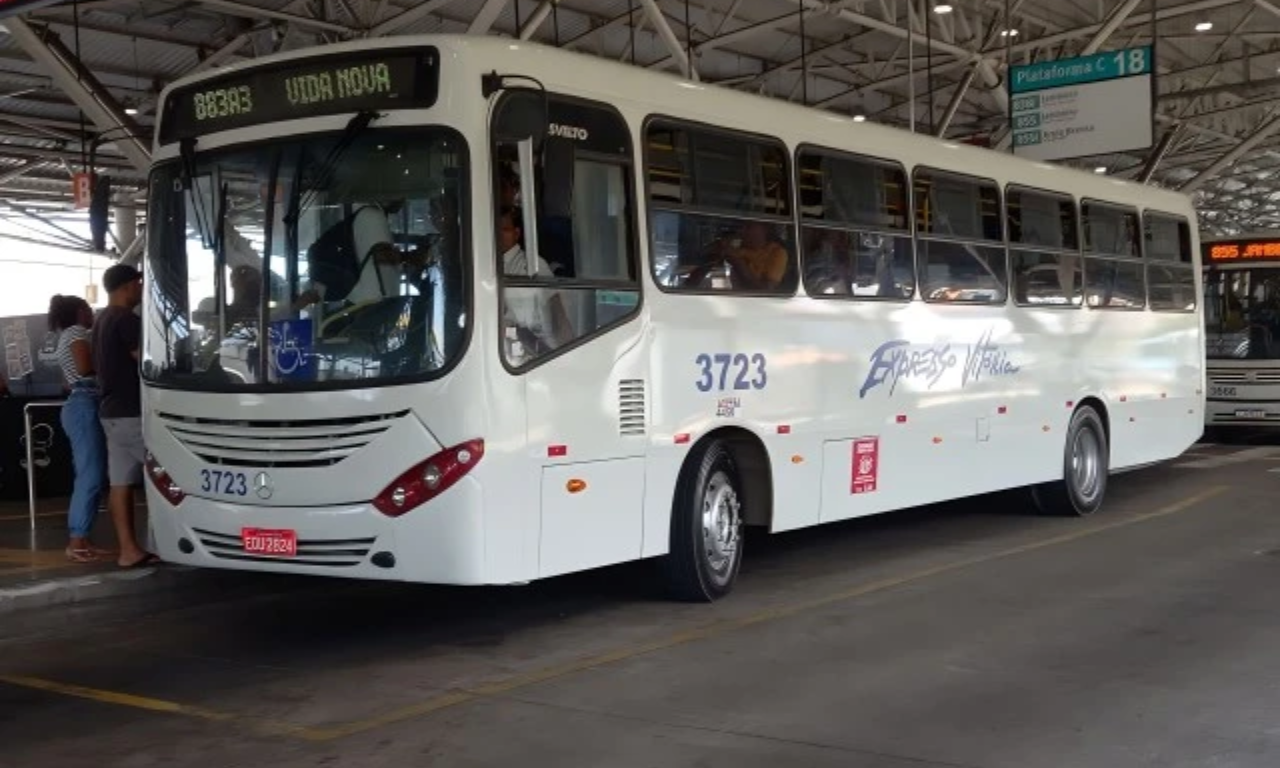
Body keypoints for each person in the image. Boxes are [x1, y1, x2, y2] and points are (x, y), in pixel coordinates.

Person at [92, 263, 158, 568]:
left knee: (120, 483)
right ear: (128, 286)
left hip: (110, 413)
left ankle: (128, 550)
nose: (142, 288)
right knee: (165, 474)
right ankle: (162, 542)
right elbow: (145, 363)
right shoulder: (126, 320)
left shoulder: (101, 320)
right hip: (132, 412)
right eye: (140, 283)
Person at [48, 294, 107, 563]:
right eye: (89, 308)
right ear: (81, 312)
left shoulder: (65, 335)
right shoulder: (76, 332)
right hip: (85, 404)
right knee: (90, 474)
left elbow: (67, 381)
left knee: (88, 472)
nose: (92, 312)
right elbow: (85, 368)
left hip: (79, 404)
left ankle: (83, 538)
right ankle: (77, 539)